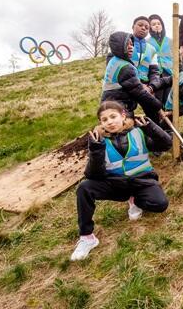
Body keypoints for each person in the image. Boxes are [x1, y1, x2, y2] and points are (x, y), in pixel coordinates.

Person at [71, 100, 171, 261]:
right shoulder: (98, 140)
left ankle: (135, 200)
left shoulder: (138, 131)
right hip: (115, 185)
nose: (110, 122)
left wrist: (150, 127)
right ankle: (87, 238)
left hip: (142, 182)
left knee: (160, 204)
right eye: (105, 120)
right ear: (101, 123)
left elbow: (166, 144)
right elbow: (93, 175)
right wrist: (96, 150)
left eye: (113, 116)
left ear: (123, 116)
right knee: (84, 187)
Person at [101, 31, 164, 120]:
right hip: (118, 108)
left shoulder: (116, 60)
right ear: (119, 47)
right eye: (128, 45)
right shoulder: (124, 67)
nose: (131, 48)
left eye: (132, 44)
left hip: (113, 104)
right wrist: (158, 107)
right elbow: (140, 93)